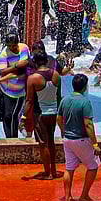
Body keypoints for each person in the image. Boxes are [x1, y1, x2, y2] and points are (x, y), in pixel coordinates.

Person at [59, 73, 101, 201]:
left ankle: (67, 198)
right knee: (93, 166)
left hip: (67, 140)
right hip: (81, 139)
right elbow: (88, 124)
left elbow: (59, 119)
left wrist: (63, 131)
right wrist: (94, 144)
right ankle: (84, 196)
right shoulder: (85, 102)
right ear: (84, 87)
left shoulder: (64, 100)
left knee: (69, 168)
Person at [23, 52, 62, 180]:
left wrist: (23, 118)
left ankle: (48, 173)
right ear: (46, 61)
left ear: (34, 62)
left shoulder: (33, 78)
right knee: (51, 141)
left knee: (43, 143)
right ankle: (54, 170)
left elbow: (29, 100)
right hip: (54, 113)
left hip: (40, 114)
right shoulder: (56, 75)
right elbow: (59, 97)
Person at [0, 33, 30, 139]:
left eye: (14, 45)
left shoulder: (24, 48)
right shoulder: (3, 55)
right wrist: (16, 65)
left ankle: (14, 138)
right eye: (9, 46)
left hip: (21, 90)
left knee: (14, 115)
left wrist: (12, 67)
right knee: (8, 115)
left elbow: (24, 63)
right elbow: (3, 71)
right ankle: (9, 137)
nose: (12, 48)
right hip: (8, 89)